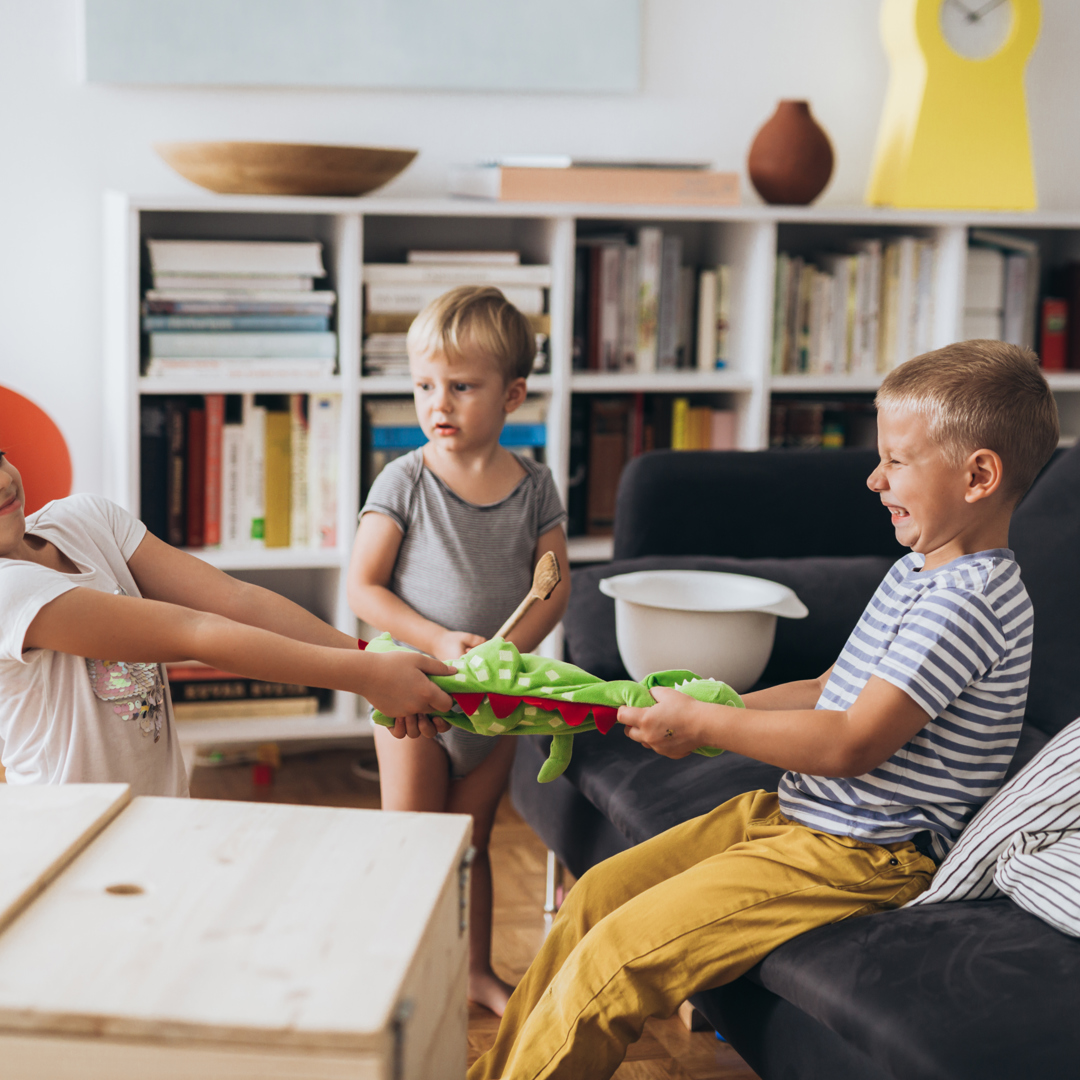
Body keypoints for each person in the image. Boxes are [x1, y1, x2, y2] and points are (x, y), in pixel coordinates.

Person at [470, 340, 1059, 1080]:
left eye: (896, 461)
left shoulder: (970, 603)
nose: (874, 478)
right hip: (797, 818)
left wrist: (707, 726)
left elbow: (849, 742)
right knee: (594, 899)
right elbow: (828, 688)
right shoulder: (919, 571)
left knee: (618, 958)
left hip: (863, 855)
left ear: (978, 476)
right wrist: (714, 704)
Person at [348, 285, 569, 1016]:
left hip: (492, 702)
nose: (437, 403)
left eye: (462, 387)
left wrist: (505, 662)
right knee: (415, 843)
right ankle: (397, 974)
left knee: (474, 842)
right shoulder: (404, 479)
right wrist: (439, 641)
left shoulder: (535, 487)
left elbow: (553, 588)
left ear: (513, 395)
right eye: (424, 386)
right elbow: (364, 588)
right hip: (412, 690)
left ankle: (473, 971)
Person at [0, 458, 454, 799]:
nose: (3, 481)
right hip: (66, 835)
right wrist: (369, 676)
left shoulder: (86, 519)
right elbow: (195, 631)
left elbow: (237, 600)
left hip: (159, 816)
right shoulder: (7, 590)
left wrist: (374, 657)